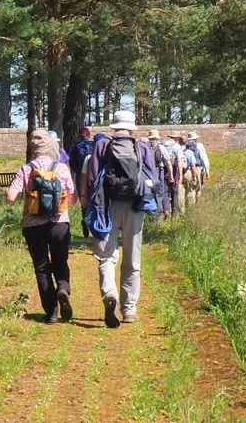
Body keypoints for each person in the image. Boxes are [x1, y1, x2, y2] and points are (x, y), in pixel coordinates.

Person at [83, 110, 159, 328]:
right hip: (135, 207)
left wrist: (89, 206)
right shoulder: (141, 147)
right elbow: (153, 178)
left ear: (114, 127)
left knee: (106, 256)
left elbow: (91, 180)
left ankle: (110, 293)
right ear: (131, 127)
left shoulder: (102, 145)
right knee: (132, 260)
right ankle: (129, 309)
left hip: (106, 206)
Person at [6, 130, 77, 324]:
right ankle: (63, 288)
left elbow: (11, 197)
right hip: (59, 224)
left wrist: (14, 192)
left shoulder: (26, 169)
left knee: (42, 268)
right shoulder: (62, 168)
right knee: (60, 262)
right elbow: (72, 200)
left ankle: (51, 312)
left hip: (33, 225)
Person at [68, 128, 94, 238]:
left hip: (79, 175)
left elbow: (71, 162)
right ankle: (92, 222)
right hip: (93, 174)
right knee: (93, 198)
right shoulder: (94, 145)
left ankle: (85, 219)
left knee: (83, 199)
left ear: (79, 135)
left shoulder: (74, 146)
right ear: (88, 135)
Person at [161, 132, 186, 216]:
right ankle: (174, 213)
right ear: (176, 138)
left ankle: (166, 210)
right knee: (174, 191)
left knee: (165, 191)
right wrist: (180, 174)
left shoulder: (162, 145)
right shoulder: (176, 146)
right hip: (174, 169)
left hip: (163, 169)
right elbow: (179, 160)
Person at [146, 130, 169, 219]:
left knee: (150, 193)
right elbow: (168, 161)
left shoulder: (146, 147)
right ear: (157, 138)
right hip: (159, 171)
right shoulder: (161, 147)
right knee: (159, 193)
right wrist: (170, 173)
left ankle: (151, 215)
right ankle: (157, 216)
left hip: (148, 173)